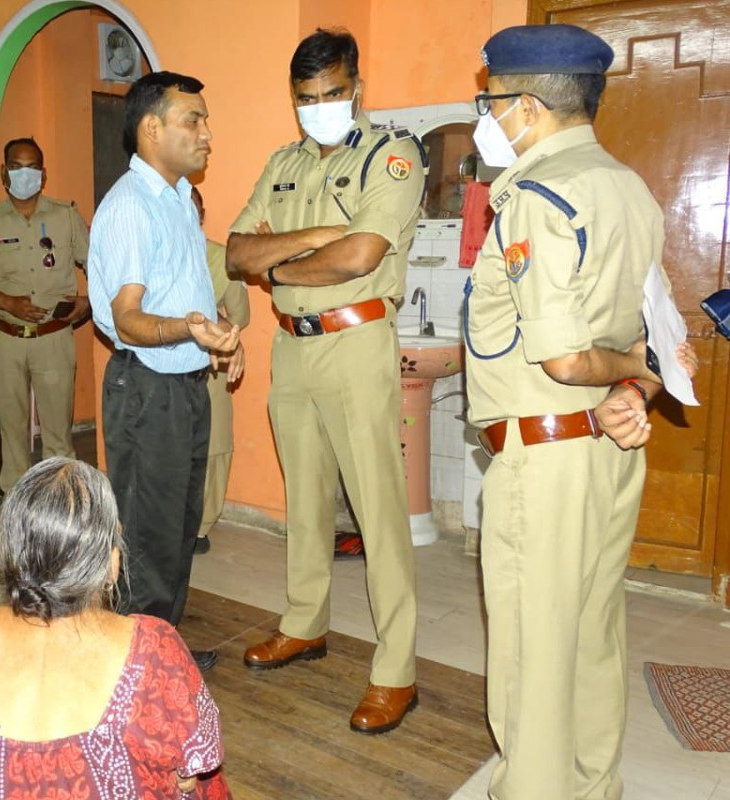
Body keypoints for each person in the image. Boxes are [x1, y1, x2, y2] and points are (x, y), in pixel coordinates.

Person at [464, 25, 697, 799]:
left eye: (492, 103)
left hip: (545, 462)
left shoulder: (536, 196)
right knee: (593, 634)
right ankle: (595, 786)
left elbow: (566, 357)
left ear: (528, 107)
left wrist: (629, 372)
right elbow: (661, 334)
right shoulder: (629, 188)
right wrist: (636, 387)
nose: (487, 117)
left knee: (533, 652)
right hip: (608, 451)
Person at [226, 29, 424, 733]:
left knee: (377, 511)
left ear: (356, 88)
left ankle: (396, 671)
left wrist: (279, 265)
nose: (320, 107)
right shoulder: (283, 162)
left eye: (333, 93)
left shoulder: (391, 156)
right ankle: (304, 623)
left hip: (356, 342)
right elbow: (236, 250)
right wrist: (314, 238)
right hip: (293, 348)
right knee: (304, 499)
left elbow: (361, 255)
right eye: (307, 98)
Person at [0, 457, 232, 800]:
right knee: (202, 783)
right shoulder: (154, 647)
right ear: (112, 564)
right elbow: (197, 759)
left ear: (6, 553)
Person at [88, 71, 243, 673]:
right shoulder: (131, 206)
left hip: (184, 385)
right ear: (152, 129)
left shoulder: (176, 200)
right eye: (193, 120)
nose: (207, 134)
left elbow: (186, 294)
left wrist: (222, 335)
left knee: (178, 528)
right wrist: (191, 330)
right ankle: (134, 669)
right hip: (147, 388)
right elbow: (129, 321)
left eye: (205, 121)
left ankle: (160, 649)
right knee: (146, 533)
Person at [0, 138, 90, 534]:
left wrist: (90, 301)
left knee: (57, 429)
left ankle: (61, 505)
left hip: (53, 337)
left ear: (43, 174)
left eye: (32, 166)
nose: (25, 174)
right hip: (6, 337)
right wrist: (7, 302)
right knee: (12, 428)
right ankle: (13, 505)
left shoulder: (66, 216)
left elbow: (97, 263)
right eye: (16, 166)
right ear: (3, 173)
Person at [191, 186, 250, 555]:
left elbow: (239, 317)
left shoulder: (220, 259)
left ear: (202, 215)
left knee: (214, 447)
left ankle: (201, 526)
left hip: (210, 366)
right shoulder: (153, 254)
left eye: (192, 208)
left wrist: (224, 325)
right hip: (164, 364)